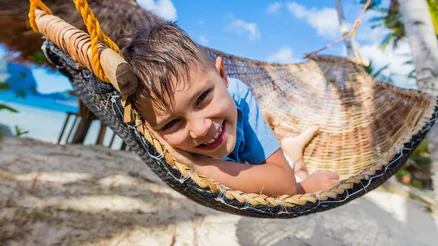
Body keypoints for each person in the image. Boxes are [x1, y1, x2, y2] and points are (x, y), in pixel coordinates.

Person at [123, 22, 340, 197]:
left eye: (203, 98)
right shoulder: (162, 138)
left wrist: (200, 167)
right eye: (171, 123)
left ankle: (293, 149)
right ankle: (280, 138)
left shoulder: (239, 95)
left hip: (255, 159)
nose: (200, 129)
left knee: (299, 172)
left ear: (223, 75)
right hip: (247, 163)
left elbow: (286, 183)